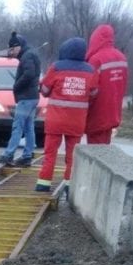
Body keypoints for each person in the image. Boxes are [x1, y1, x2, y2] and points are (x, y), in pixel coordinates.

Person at [34, 37, 98, 194]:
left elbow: (45, 91)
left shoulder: (56, 67)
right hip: (77, 121)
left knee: (50, 153)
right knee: (72, 155)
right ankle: (69, 185)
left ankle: (43, 184)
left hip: (55, 120)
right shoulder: (90, 70)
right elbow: (94, 93)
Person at [1, 32, 41, 167]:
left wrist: (16, 86)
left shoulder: (27, 56)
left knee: (17, 127)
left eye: (12, 49)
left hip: (26, 97)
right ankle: (27, 155)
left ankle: (8, 155)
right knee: (29, 128)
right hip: (33, 97)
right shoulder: (30, 54)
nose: (11, 52)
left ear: (18, 46)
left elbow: (29, 74)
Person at [84, 24, 128, 145]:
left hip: (97, 112)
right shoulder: (121, 57)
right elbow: (123, 85)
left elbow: (91, 90)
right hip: (113, 110)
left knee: (95, 151)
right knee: (105, 147)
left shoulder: (96, 59)